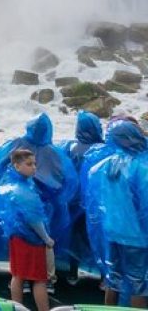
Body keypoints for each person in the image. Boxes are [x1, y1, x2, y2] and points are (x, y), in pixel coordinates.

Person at [0, 112, 77, 266]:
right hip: (48, 203)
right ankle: (44, 278)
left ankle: (21, 277)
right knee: (44, 242)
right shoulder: (54, 152)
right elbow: (67, 180)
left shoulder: (17, 145)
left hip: (17, 201)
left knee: (21, 239)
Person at [85, 119, 148, 308]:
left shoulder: (103, 166)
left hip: (111, 231)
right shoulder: (141, 167)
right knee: (138, 284)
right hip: (135, 235)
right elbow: (144, 207)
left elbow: (96, 202)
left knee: (114, 279)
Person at [0, 149, 55, 311]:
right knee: (39, 279)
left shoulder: (9, 183)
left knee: (18, 275)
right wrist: (46, 239)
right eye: (29, 164)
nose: (34, 167)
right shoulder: (24, 190)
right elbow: (34, 219)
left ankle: (17, 307)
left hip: (16, 238)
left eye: (35, 163)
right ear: (17, 166)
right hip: (32, 240)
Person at [59, 111, 104, 283]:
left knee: (74, 238)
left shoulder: (69, 147)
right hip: (95, 203)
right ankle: (104, 276)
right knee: (97, 239)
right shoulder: (103, 149)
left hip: (73, 201)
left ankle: (72, 272)